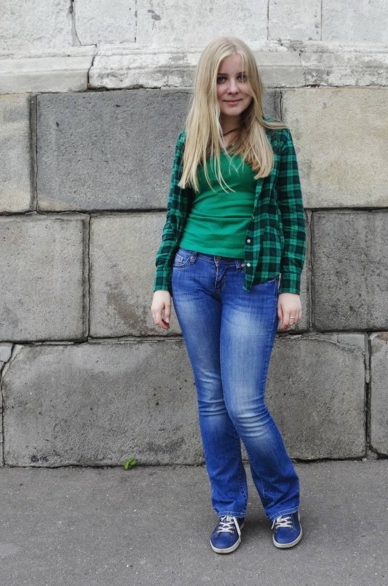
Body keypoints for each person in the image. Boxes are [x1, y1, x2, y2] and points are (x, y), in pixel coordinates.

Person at [151, 37, 306, 554]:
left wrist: (290, 286)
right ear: (208, 84)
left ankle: (282, 502)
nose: (232, 88)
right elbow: (175, 216)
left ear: (253, 82)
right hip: (192, 274)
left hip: (251, 279)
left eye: (241, 77)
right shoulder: (191, 139)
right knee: (213, 402)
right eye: (222, 78)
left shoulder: (275, 139)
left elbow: (293, 217)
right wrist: (160, 282)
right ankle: (229, 509)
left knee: (245, 404)